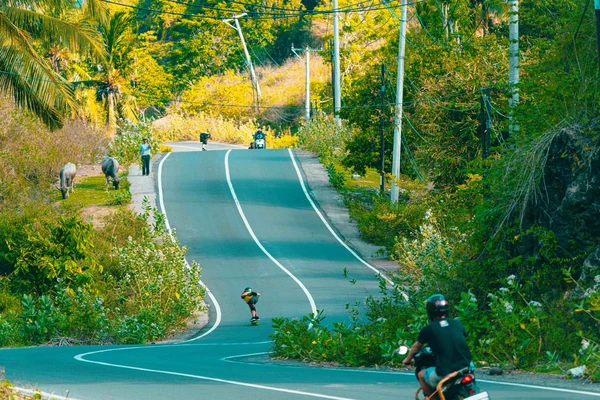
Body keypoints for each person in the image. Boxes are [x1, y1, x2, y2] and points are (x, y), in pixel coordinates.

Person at [401, 294, 473, 399]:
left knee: (421, 375)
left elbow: (416, 347)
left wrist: (407, 360)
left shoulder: (428, 329)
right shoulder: (457, 324)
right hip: (467, 367)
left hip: (446, 371)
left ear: (430, 310)